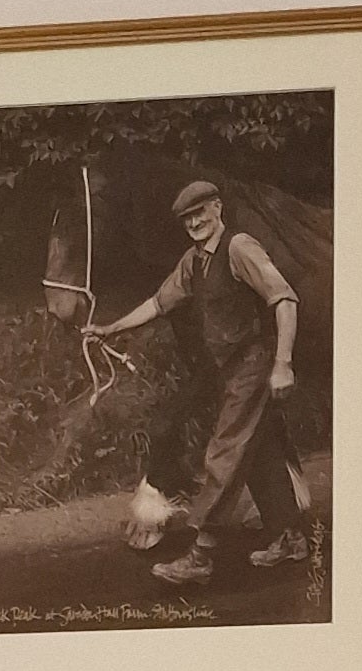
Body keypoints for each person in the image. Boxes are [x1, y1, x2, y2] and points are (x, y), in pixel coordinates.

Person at [90, 178, 306, 588]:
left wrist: (283, 363)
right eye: (187, 218)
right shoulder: (194, 261)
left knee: (224, 453)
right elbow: (159, 302)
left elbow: (284, 299)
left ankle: (201, 556)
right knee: (260, 454)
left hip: (254, 365)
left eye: (200, 212)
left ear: (218, 208)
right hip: (231, 369)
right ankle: (290, 538)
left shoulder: (240, 248)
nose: (194, 222)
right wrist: (112, 328)